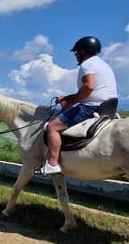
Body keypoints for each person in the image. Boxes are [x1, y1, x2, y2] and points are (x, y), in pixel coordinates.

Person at [35, 35, 118, 176]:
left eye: (76, 53)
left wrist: (70, 102)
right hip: (109, 105)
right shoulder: (102, 64)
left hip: (92, 106)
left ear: (83, 52)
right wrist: (68, 98)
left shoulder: (87, 65)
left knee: (52, 127)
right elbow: (90, 90)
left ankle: (52, 164)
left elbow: (89, 87)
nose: (75, 56)